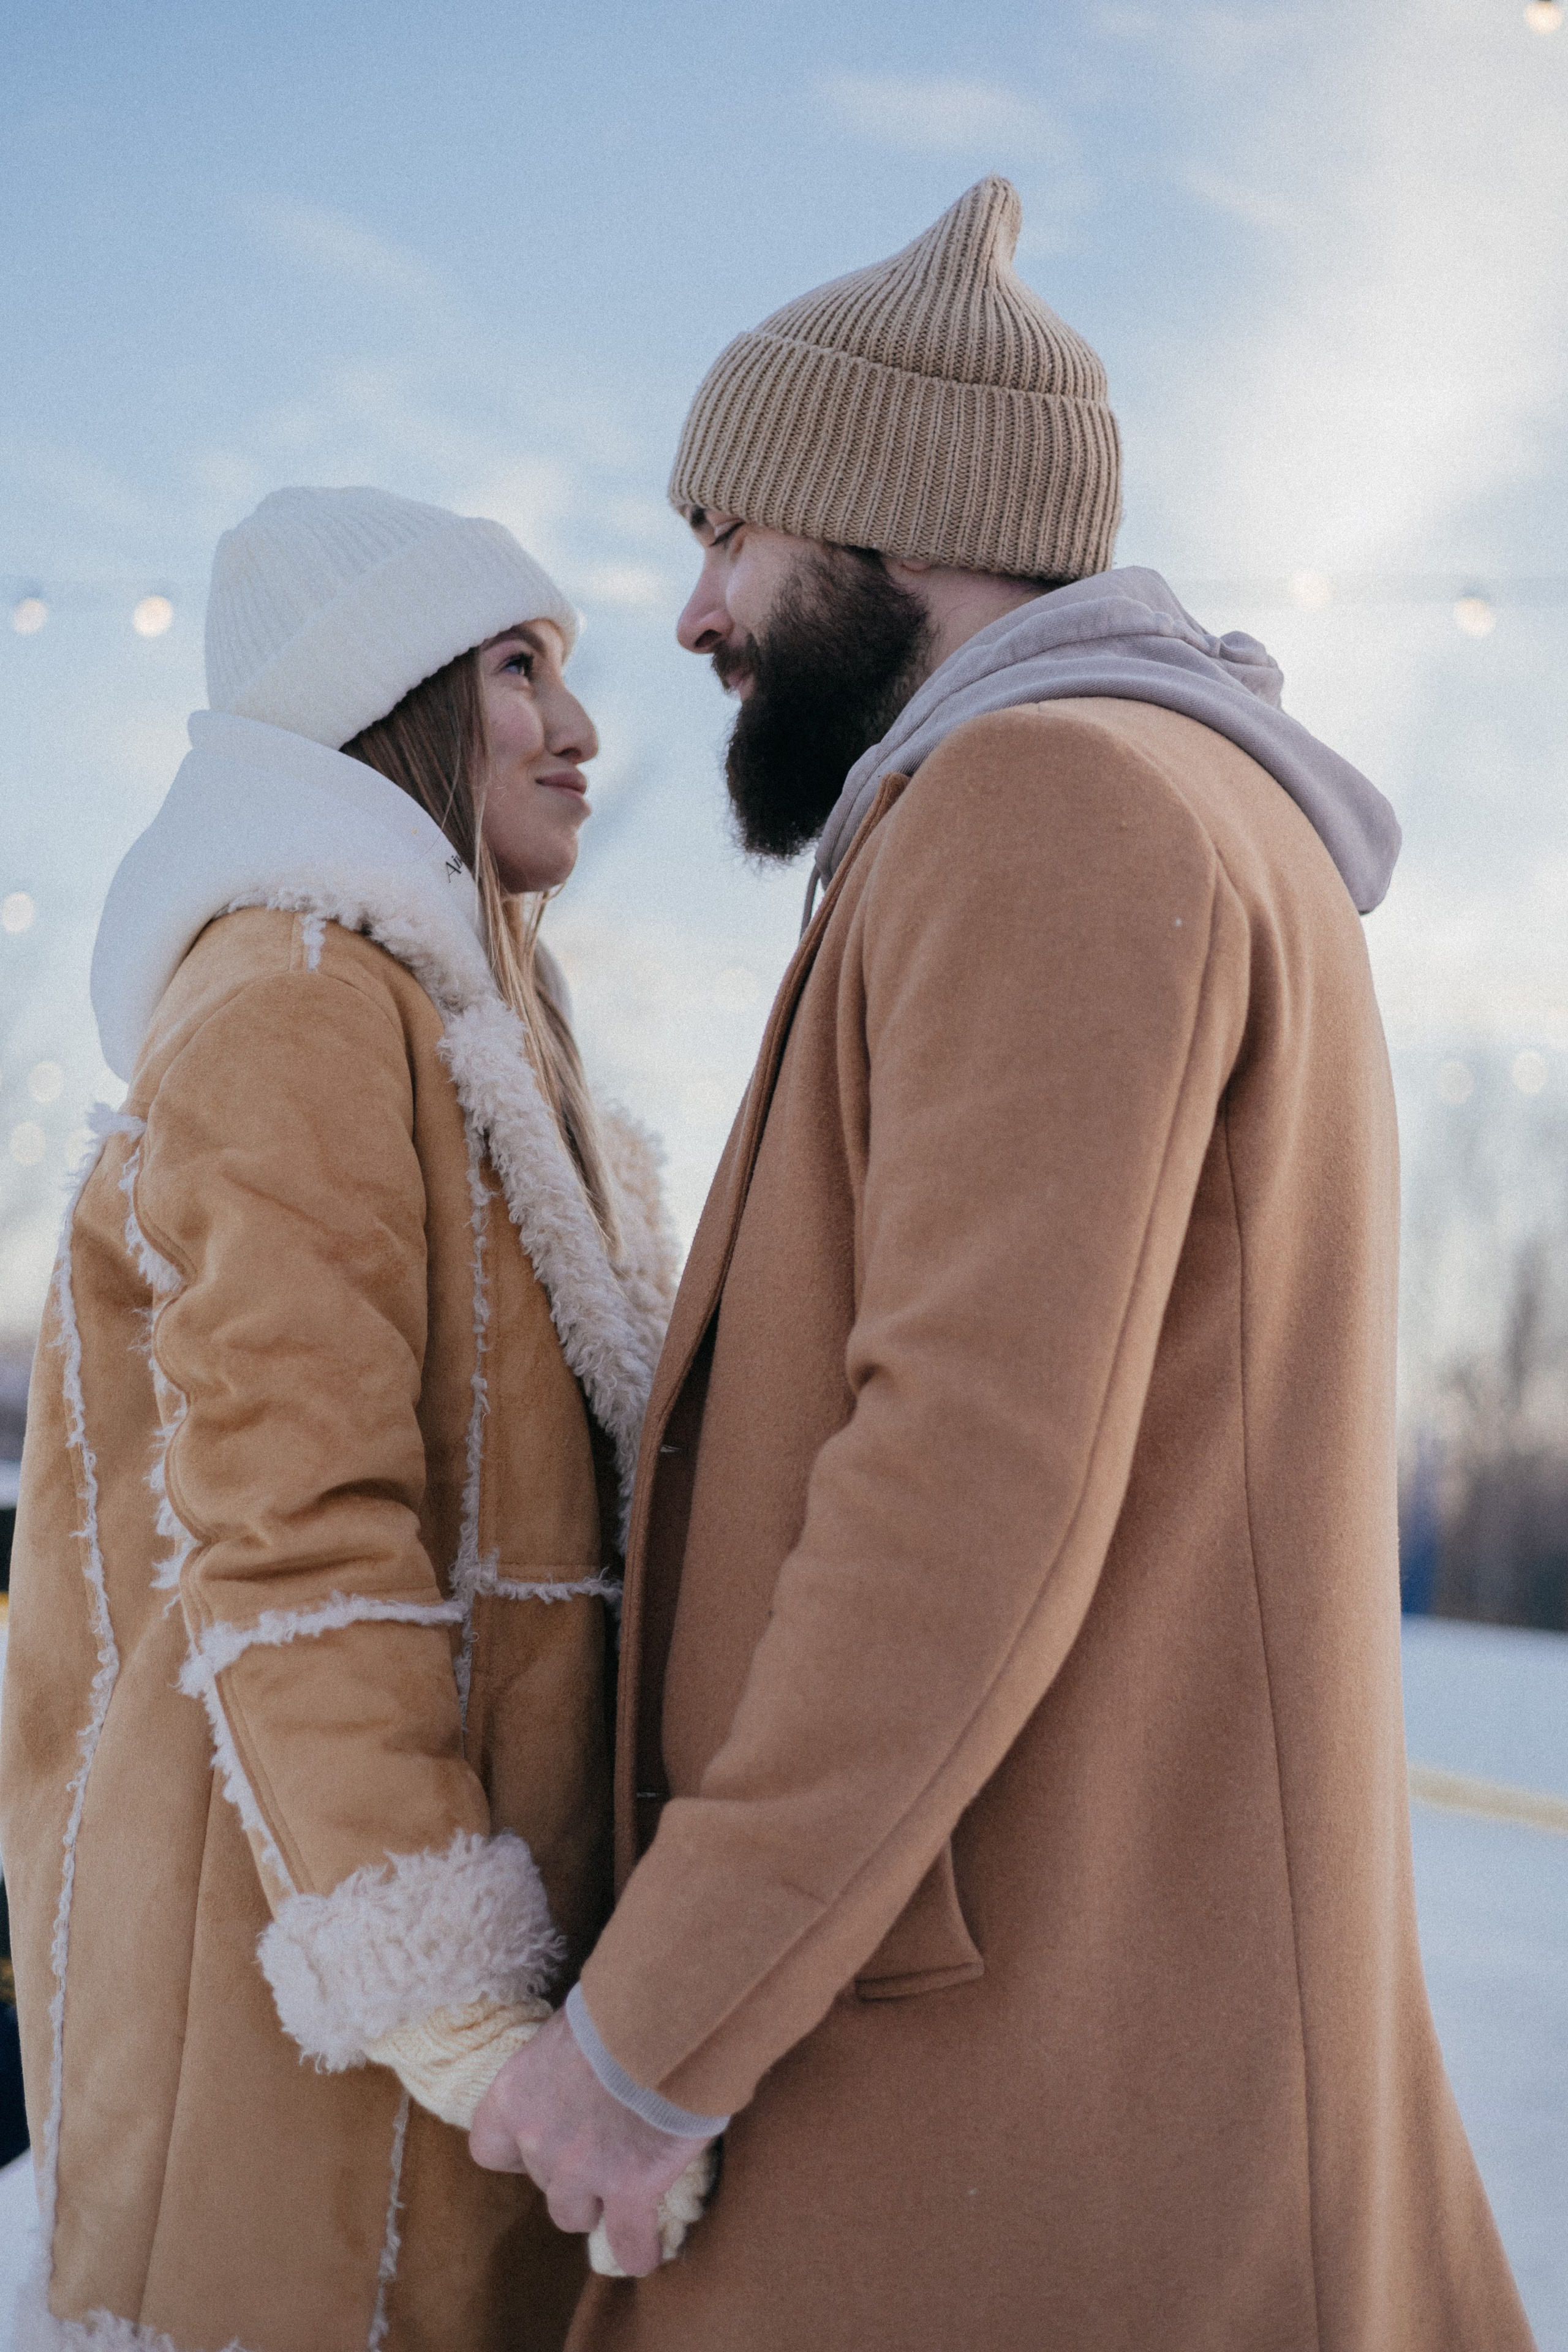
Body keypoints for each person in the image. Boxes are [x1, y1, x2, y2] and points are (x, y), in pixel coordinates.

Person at [470, 178, 1537, 2350]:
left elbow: (967, 1482)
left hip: (1023, 2114)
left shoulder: (1049, 807)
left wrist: (654, 2034)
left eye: (732, 536)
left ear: (900, 518)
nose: (693, 613)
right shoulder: (1161, 803)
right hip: (1107, 2058)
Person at [0, 486, 677, 2352]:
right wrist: (449, 2001)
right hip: (303, 2038)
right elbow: (296, 1532)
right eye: (518, 668)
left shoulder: (469, 1031)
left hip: (436, 2041)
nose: (579, 724)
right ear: (392, 699)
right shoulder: (296, 999)